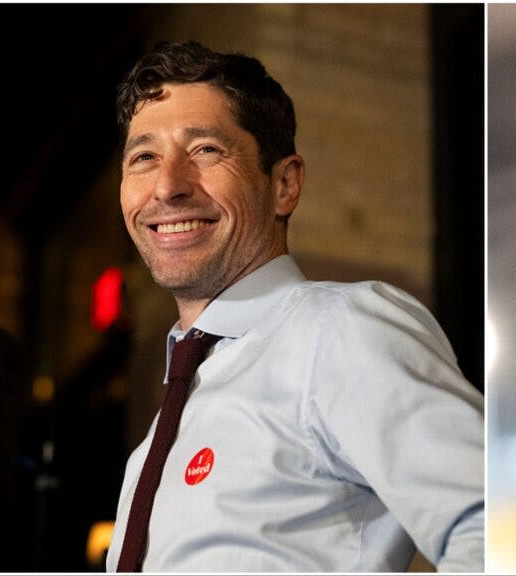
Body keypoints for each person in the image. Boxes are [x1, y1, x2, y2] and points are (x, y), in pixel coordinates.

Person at [105, 41, 484, 572]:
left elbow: (490, 524)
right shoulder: (152, 448)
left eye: (206, 151)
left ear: (284, 185)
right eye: (144, 157)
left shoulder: (340, 328)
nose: (167, 186)